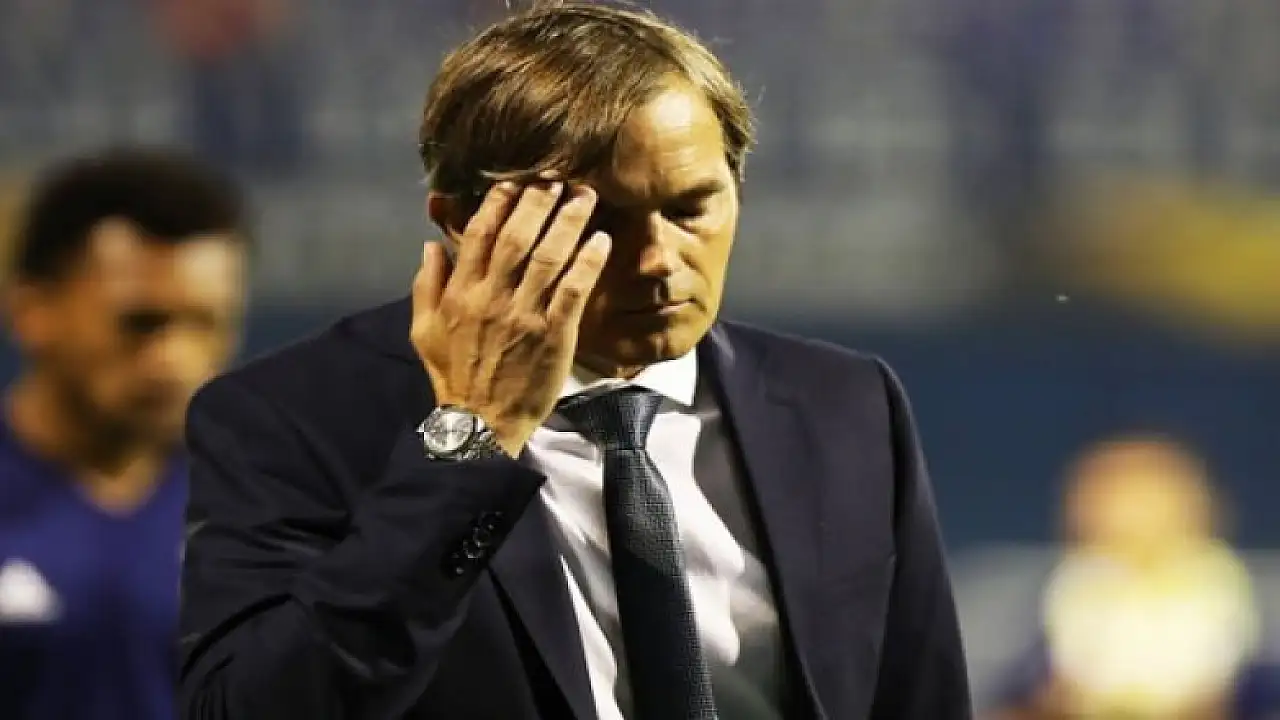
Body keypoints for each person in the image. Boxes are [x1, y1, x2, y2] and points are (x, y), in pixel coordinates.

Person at [178, 4, 971, 719]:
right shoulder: (290, 419)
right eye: (600, 222)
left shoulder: (845, 406)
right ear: (461, 222)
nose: (658, 259)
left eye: (691, 207)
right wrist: (473, 437)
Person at [0, 148, 251, 719]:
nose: (174, 358)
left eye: (205, 323)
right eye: (141, 322)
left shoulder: (259, 515)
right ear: (33, 311)